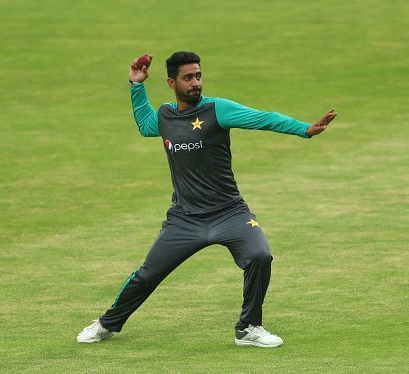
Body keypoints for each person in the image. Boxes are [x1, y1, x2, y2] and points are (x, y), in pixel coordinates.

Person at [77, 51, 337, 348]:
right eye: (188, 78)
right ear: (171, 82)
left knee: (260, 256)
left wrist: (304, 129)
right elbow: (145, 125)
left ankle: (249, 327)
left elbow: (262, 119)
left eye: (198, 76)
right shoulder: (164, 116)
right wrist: (136, 85)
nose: (196, 83)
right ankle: (107, 324)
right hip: (184, 219)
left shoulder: (217, 110)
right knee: (147, 275)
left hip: (230, 214)